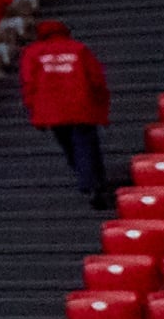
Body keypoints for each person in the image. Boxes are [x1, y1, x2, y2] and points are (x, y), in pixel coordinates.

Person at [20, 19, 114, 203]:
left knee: (70, 147)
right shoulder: (79, 49)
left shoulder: (32, 53)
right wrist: (101, 104)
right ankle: (93, 183)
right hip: (81, 107)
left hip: (51, 111)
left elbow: (29, 84)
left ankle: (88, 181)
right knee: (86, 145)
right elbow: (96, 79)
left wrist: (34, 110)